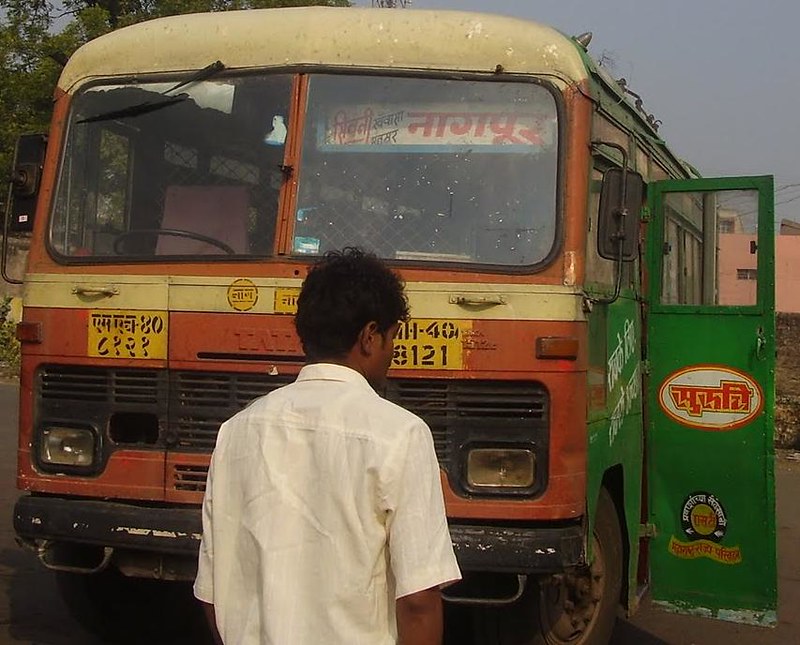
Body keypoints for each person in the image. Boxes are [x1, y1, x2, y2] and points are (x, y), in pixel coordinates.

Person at [194, 247, 461, 644]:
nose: (391, 354)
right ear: (369, 337)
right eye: (391, 339)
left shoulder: (236, 431)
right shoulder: (401, 434)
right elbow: (419, 600)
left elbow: (213, 595)